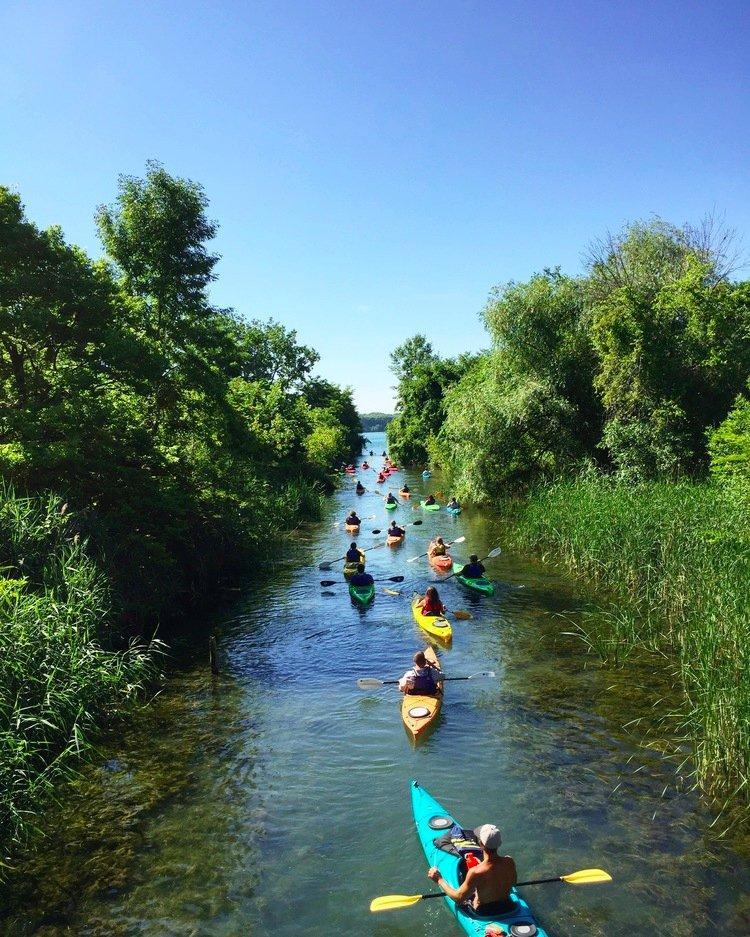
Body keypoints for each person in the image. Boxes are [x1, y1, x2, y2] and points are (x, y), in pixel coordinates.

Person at [427, 825, 517, 918]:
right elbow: (513, 883)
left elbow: (458, 898)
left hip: (485, 911)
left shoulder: (476, 872)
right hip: (508, 906)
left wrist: (439, 879)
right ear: (500, 843)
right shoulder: (509, 861)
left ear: (481, 844)